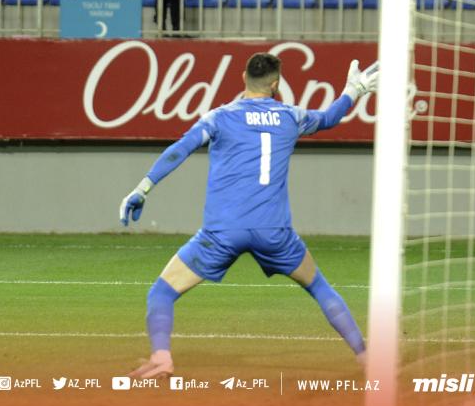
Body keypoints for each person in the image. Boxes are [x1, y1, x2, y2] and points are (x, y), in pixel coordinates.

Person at [119, 52, 377, 378]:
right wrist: (353, 91)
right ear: (276, 84)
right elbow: (328, 118)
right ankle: (366, 357)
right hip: (275, 233)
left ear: (243, 77)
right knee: (320, 287)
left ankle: (161, 358)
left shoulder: (219, 117)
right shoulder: (291, 116)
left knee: (162, 293)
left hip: (222, 233)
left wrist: (142, 188)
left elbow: (179, 150)